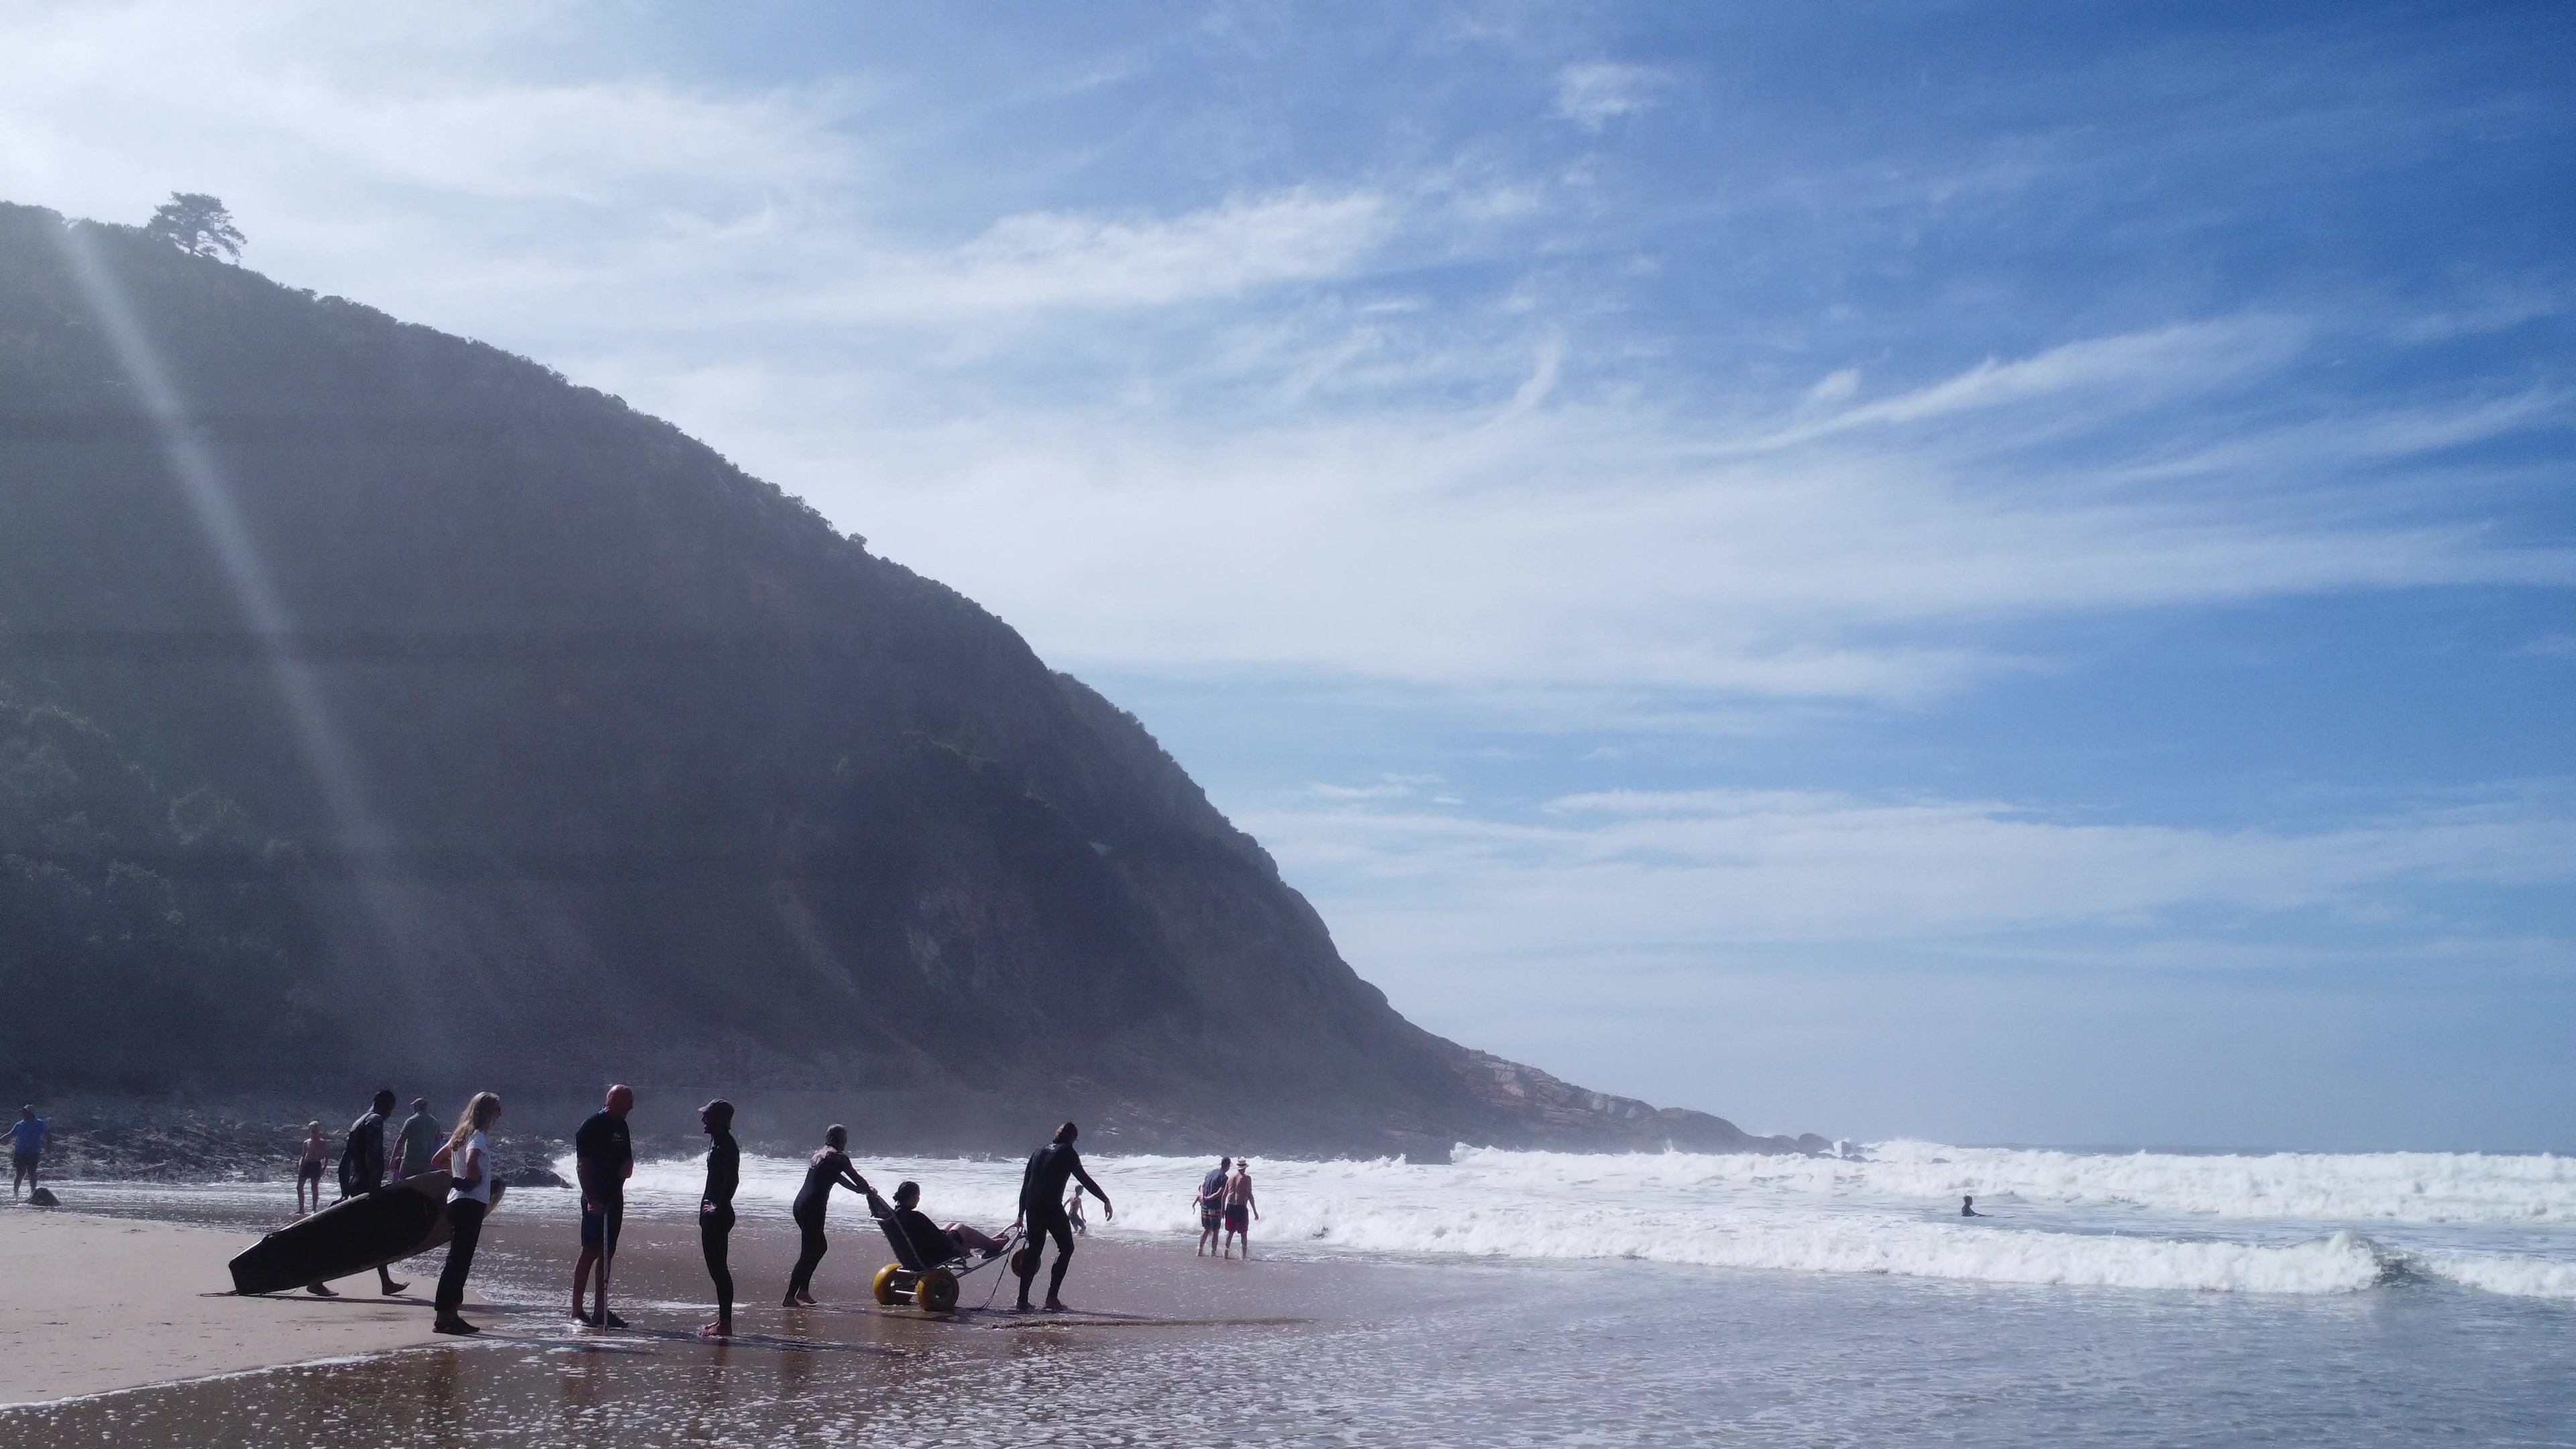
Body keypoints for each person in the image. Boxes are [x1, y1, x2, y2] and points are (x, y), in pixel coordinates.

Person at [1012, 1122, 1111, 1312]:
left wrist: (1021, 1214)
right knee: (1067, 1248)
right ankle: (1051, 1298)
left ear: (1057, 1134)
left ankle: (1022, 1301)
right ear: (1073, 1139)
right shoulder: (1068, 1153)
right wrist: (1104, 1199)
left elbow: (1025, 1186)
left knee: (1034, 1251)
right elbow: (1084, 1179)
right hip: (1051, 1206)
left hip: (1033, 1206)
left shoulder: (1038, 1152)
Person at [429, 1091, 503, 1336]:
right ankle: (446, 1316)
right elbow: (472, 1162)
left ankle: (447, 1315)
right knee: (459, 1262)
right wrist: (473, 1177)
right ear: (488, 1113)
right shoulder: (478, 1137)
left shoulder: (460, 1134)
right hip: (470, 1204)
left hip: (456, 1201)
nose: (498, 1116)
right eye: (496, 1111)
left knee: (456, 1260)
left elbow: (437, 1160)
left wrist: (458, 1177)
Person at [321, 1089, 407, 1297]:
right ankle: (316, 1279)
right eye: (391, 1108)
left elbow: (345, 1160)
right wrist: (375, 1189)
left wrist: (344, 1191)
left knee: (376, 1235)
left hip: (356, 1184)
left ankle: (386, 1282)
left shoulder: (358, 1122)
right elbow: (375, 1156)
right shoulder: (376, 1121)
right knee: (357, 1236)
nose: (391, 1113)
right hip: (367, 1186)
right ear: (385, 1105)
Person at [784, 1124, 871, 1307]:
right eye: (844, 1138)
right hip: (813, 1208)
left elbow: (837, 1177)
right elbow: (856, 1177)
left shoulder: (820, 1154)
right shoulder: (839, 1158)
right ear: (837, 1139)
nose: (846, 1142)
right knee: (809, 1252)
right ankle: (790, 1296)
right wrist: (868, 1190)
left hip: (801, 1205)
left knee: (819, 1247)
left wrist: (858, 1191)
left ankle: (803, 1291)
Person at [572, 1084, 635, 1328]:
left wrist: (628, 1166)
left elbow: (627, 1156)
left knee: (608, 1253)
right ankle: (577, 1311)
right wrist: (591, 1198)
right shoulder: (590, 1127)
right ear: (611, 1101)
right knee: (590, 1250)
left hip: (614, 1196)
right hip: (594, 1197)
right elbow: (582, 1166)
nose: (630, 1108)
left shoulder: (622, 1125)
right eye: (626, 1103)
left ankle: (601, 1310)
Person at [878, 1180, 1005, 1264]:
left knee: (950, 1226)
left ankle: (987, 1240)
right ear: (911, 1197)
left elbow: (932, 1234)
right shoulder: (916, 1217)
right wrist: (961, 1250)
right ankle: (994, 1245)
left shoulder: (896, 1216)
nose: (919, 1199)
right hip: (931, 1256)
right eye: (918, 1196)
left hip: (912, 1255)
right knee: (961, 1228)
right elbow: (942, 1239)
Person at [698, 1099, 739, 1340]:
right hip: (713, 1214)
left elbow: (732, 1180)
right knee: (716, 1269)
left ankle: (726, 1324)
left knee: (719, 1270)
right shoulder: (717, 1141)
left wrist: (718, 1206)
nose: (703, 1120)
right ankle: (723, 1319)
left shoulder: (727, 1146)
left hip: (719, 1216)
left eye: (707, 1116)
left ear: (719, 1120)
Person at [390, 1097, 441, 1183]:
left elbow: (400, 1141)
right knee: (422, 1185)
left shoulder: (411, 1121)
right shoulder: (434, 1121)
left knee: (403, 1183)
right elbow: (438, 1142)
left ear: (417, 1107)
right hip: (426, 1162)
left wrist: (393, 1158)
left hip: (410, 1161)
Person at [1222, 1159, 1258, 1260]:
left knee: (1230, 1232)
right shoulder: (1247, 1179)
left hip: (1230, 1207)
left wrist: (1222, 1210)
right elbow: (1250, 1195)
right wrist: (1255, 1211)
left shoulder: (1230, 1178)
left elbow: (1224, 1196)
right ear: (1245, 1168)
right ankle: (1243, 1256)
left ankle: (1225, 1254)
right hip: (1241, 1207)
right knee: (1244, 1233)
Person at [11, 1107, 50, 1203]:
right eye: (23, 1112)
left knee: (32, 1173)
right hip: (20, 1153)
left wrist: (48, 1147)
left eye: (25, 1112)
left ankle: (33, 1194)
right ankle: (15, 1194)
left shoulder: (40, 1123)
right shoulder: (20, 1124)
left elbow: (48, 1135)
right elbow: (10, 1134)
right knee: (20, 1173)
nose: (23, 1114)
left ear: (30, 1113)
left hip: (34, 1152)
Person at [1194, 1156, 1232, 1256]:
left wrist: (1203, 1196)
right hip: (1215, 1206)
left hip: (1205, 1205)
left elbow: (1203, 1186)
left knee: (1206, 1229)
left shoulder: (1210, 1173)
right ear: (1228, 1165)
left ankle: (1200, 1250)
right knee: (1215, 1230)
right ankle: (1213, 1252)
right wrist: (1209, 1198)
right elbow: (1220, 1193)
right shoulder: (1224, 1177)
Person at [295, 1121, 329, 1214]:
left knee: (314, 1187)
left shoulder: (322, 1142)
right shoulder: (306, 1143)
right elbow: (303, 1155)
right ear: (310, 1132)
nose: (315, 1133)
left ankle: (314, 1209)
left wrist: (324, 1169)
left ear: (319, 1131)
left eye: (316, 1131)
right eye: (313, 1131)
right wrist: (300, 1165)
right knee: (299, 1187)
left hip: (316, 1165)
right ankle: (301, 1209)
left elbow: (326, 1157)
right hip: (306, 1164)